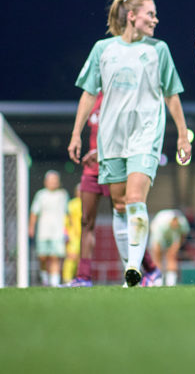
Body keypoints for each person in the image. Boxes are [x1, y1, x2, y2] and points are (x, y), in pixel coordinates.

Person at [68, 0, 191, 287]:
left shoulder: (159, 50)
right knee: (120, 205)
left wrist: (183, 135)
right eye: (150, 13)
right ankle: (134, 271)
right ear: (132, 16)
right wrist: (76, 133)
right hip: (111, 139)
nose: (155, 19)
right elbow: (88, 93)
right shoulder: (103, 49)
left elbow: (170, 94)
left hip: (145, 134)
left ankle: (134, 269)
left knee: (135, 198)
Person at [65, 92, 162, 287]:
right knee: (86, 220)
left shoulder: (122, 95)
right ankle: (83, 277)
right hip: (92, 167)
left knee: (125, 216)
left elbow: (129, 133)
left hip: (115, 164)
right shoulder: (91, 97)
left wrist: (101, 152)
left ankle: (149, 269)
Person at [29, 170, 69, 287]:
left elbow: (67, 213)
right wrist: (31, 227)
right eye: (51, 180)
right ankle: (44, 278)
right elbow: (34, 212)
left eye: (55, 180)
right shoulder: (41, 195)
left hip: (58, 232)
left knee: (55, 257)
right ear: (46, 182)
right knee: (43, 257)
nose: (53, 183)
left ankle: (54, 283)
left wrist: (69, 229)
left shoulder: (63, 195)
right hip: (43, 231)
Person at [149, 209, 190, 286]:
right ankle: (158, 280)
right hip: (158, 232)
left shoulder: (182, 222)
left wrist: (174, 249)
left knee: (172, 256)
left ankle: (171, 282)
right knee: (157, 256)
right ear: (171, 221)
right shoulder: (159, 225)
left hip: (172, 236)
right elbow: (157, 246)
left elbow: (183, 235)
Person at [62, 184, 83, 283]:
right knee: (71, 257)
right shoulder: (72, 204)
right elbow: (67, 220)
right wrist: (66, 233)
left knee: (81, 258)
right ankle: (67, 279)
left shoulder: (86, 203)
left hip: (84, 235)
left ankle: (79, 278)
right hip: (74, 236)